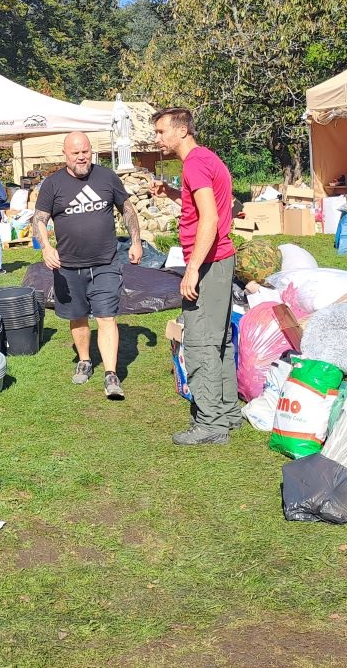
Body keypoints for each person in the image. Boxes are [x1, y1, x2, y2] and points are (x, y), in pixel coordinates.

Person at [32, 132, 143, 401]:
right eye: (76, 153)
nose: (82, 157)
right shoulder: (53, 184)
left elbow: (127, 209)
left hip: (105, 262)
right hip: (68, 266)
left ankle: (111, 374)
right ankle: (84, 360)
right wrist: (47, 247)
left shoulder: (107, 177)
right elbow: (39, 220)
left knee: (106, 317)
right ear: (65, 154)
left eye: (86, 152)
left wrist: (136, 242)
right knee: (78, 317)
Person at [151, 108, 239, 444]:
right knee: (220, 340)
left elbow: (210, 219)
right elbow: (213, 204)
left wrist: (191, 270)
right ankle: (228, 413)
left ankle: (211, 425)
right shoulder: (206, 160)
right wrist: (174, 196)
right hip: (220, 260)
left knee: (201, 342)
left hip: (209, 263)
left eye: (161, 132)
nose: (157, 138)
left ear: (182, 130)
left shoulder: (194, 163)